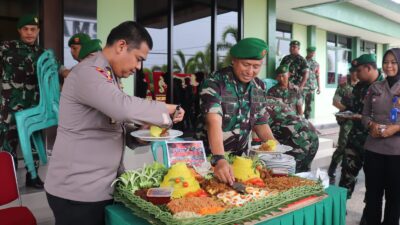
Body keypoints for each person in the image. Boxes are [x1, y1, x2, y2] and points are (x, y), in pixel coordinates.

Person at [44, 21, 184, 225]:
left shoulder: (109, 76)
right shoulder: (89, 72)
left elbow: (111, 124)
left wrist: (140, 135)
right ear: (121, 46)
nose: (138, 67)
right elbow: (123, 107)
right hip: (78, 191)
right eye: (138, 59)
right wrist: (168, 109)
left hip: (101, 186)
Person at [195, 37, 277, 185]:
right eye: (246, 65)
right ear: (234, 60)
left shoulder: (259, 86)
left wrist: (275, 148)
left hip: (242, 161)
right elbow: (213, 121)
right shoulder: (214, 83)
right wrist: (219, 158)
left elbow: (260, 122)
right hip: (210, 161)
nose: (250, 71)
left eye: (256, 66)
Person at [0, 14, 45, 188]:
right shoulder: (7, 47)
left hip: (32, 106)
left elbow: (57, 69)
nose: (29, 33)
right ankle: (7, 179)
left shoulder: (42, 53)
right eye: (25, 29)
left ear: (38, 31)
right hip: (10, 106)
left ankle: (32, 176)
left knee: (33, 139)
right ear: (19, 31)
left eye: (33, 29)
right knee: (8, 141)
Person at [361, 48, 400, 225]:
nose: (389, 66)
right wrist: (371, 125)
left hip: (397, 153)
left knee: (395, 198)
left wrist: (396, 128)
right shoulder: (375, 87)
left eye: (393, 62)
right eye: (386, 62)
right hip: (374, 150)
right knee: (373, 196)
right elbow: (364, 115)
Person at [338, 54, 384, 200]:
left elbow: (389, 117)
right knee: (346, 175)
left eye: (358, 71)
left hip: (376, 142)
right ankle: (340, 208)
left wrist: (361, 117)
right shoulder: (359, 86)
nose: (355, 74)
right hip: (355, 139)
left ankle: (368, 216)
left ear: (369, 68)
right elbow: (352, 107)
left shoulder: (387, 86)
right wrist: (344, 113)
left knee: (373, 181)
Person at [265, 96, 319, 172]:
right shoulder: (273, 99)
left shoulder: (256, 105)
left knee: (291, 174)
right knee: (304, 172)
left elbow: (259, 135)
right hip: (311, 131)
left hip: (297, 136)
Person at [328, 61, 359, 184]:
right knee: (342, 146)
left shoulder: (364, 86)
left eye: (357, 72)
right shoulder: (343, 86)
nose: (355, 74)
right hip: (347, 121)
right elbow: (335, 101)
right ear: (350, 73)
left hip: (360, 120)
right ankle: (333, 166)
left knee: (356, 147)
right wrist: (346, 110)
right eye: (353, 72)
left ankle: (350, 171)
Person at [303, 46, 321, 119]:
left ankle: (307, 120)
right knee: (299, 104)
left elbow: (318, 75)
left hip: (311, 87)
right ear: (308, 52)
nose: (313, 54)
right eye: (311, 52)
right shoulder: (302, 62)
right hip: (302, 87)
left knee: (309, 105)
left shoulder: (316, 64)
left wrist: (319, 87)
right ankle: (298, 120)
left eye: (314, 52)